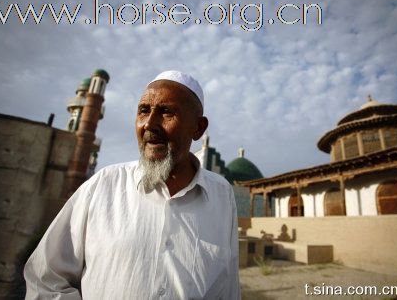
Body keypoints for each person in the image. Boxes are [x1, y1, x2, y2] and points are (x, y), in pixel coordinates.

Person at [24, 70, 241, 299]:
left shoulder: (221, 195)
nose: (150, 124)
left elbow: (227, 289)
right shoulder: (104, 185)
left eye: (166, 112)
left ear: (198, 128)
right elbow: (45, 279)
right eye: (144, 111)